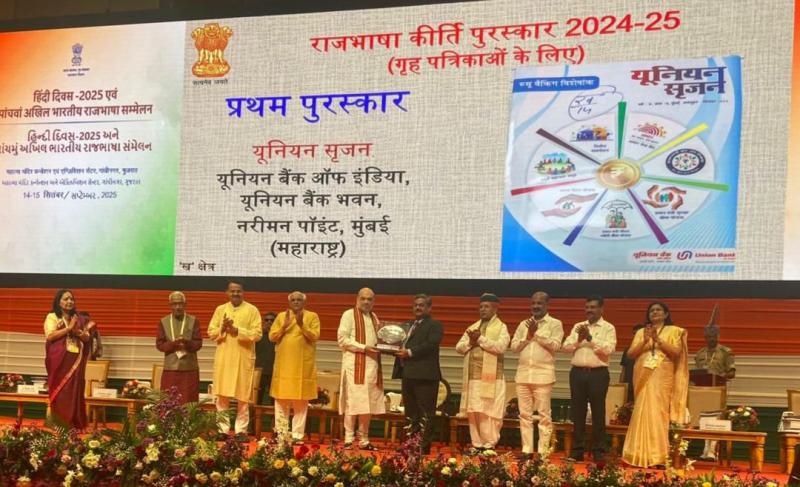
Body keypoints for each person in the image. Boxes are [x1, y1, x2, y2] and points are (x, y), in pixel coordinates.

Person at [621, 301, 689, 467]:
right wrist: (645, 341)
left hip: (662, 376)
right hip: (642, 375)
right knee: (641, 411)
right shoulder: (641, 332)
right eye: (652, 310)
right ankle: (636, 453)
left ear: (666, 314)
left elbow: (676, 353)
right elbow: (630, 354)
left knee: (658, 413)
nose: (655, 312)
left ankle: (658, 456)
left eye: (659, 310)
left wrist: (658, 340)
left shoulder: (675, 331)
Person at [562, 295, 616, 462]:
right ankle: (577, 452)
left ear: (601, 309)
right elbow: (566, 347)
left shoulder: (608, 327)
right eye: (587, 307)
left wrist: (590, 338)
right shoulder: (578, 326)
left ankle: (598, 452)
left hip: (598, 374)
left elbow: (608, 350)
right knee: (578, 412)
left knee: (598, 412)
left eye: (592, 307)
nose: (589, 310)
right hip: (577, 373)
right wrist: (578, 340)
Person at [510, 291, 563, 459]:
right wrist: (527, 336)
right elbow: (514, 347)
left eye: (539, 303)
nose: (536, 306)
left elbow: (556, 345)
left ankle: (542, 452)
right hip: (523, 375)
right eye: (533, 303)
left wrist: (536, 334)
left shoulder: (555, 324)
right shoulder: (523, 324)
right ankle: (527, 450)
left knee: (544, 415)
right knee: (524, 415)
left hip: (543, 376)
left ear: (547, 305)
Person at [455, 293, 510, 454]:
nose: (482, 309)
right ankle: (477, 444)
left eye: (486, 306)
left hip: (492, 378)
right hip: (473, 377)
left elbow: (500, 347)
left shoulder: (501, 327)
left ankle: (489, 444)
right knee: (474, 410)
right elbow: (459, 348)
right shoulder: (473, 327)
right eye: (481, 307)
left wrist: (480, 340)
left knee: (489, 411)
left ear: (495, 308)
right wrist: (471, 342)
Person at [208, 280, 262, 440]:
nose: (235, 293)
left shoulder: (252, 310)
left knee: (242, 397)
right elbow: (211, 332)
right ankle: (222, 430)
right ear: (227, 292)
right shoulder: (220, 310)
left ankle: (240, 431)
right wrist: (223, 328)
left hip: (243, 359)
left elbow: (257, 334)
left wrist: (237, 330)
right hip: (224, 358)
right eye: (232, 291)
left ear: (243, 292)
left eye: (238, 291)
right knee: (222, 396)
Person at [391, 293, 444, 454]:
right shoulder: (407, 326)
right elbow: (397, 343)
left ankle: (422, 446)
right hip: (407, 374)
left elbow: (431, 344)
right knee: (410, 412)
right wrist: (390, 348)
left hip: (425, 376)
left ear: (429, 308)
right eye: (415, 305)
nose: (418, 308)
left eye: (421, 305)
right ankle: (410, 445)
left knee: (425, 413)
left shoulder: (435, 325)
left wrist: (409, 352)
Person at [337, 287, 385, 450]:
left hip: (371, 366)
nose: (366, 302)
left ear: (373, 301)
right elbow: (342, 340)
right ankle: (348, 438)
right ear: (357, 299)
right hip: (354, 366)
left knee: (367, 404)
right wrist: (364, 348)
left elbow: (379, 341)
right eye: (363, 298)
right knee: (353, 402)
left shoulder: (374, 317)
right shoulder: (348, 315)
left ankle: (364, 439)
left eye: (369, 299)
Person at [269, 292, 320, 444]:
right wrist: (284, 326)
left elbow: (315, 336)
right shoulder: (281, 317)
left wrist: (301, 324)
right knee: (281, 401)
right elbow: (272, 337)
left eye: (299, 300)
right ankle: (281, 434)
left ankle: (297, 436)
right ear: (289, 302)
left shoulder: (312, 316)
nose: (296, 302)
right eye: (293, 300)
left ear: (304, 302)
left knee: (301, 403)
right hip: (284, 366)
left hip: (302, 366)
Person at [44, 289, 96, 429]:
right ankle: (60, 423)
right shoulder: (52, 317)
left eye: (71, 299)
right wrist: (68, 329)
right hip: (59, 361)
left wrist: (78, 332)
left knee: (75, 390)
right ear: (58, 301)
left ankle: (74, 423)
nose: (69, 301)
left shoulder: (78, 318)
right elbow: (50, 336)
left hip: (75, 360)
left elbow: (87, 338)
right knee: (61, 391)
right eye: (66, 299)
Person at [694, 314, 735, 460]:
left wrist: (718, 376)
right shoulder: (700, 353)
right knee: (703, 419)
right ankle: (705, 449)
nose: (711, 339)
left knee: (715, 419)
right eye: (708, 336)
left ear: (718, 336)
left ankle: (712, 450)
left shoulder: (726, 352)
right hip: (702, 391)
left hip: (718, 391)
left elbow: (732, 373)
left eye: (713, 336)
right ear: (705, 337)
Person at [156, 291, 203, 404]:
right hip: (170, 369)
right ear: (170, 305)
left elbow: (198, 343)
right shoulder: (163, 321)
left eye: (180, 303)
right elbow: (159, 344)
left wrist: (186, 343)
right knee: (169, 401)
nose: (178, 307)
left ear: (185, 304)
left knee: (189, 402)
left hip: (189, 368)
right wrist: (174, 344)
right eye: (175, 304)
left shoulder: (194, 320)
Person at [619, 323, 646, 404]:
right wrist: (621, 384)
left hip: (642, 386)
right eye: (634, 333)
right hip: (628, 386)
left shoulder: (648, 349)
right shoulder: (628, 350)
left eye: (638, 333)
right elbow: (623, 369)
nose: (636, 335)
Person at [255, 312, 277, 405]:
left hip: (275, 372)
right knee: (257, 398)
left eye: (272, 320)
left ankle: (275, 415)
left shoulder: (279, 337)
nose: (269, 322)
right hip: (260, 371)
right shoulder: (258, 336)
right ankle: (254, 415)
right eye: (266, 320)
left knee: (274, 399)